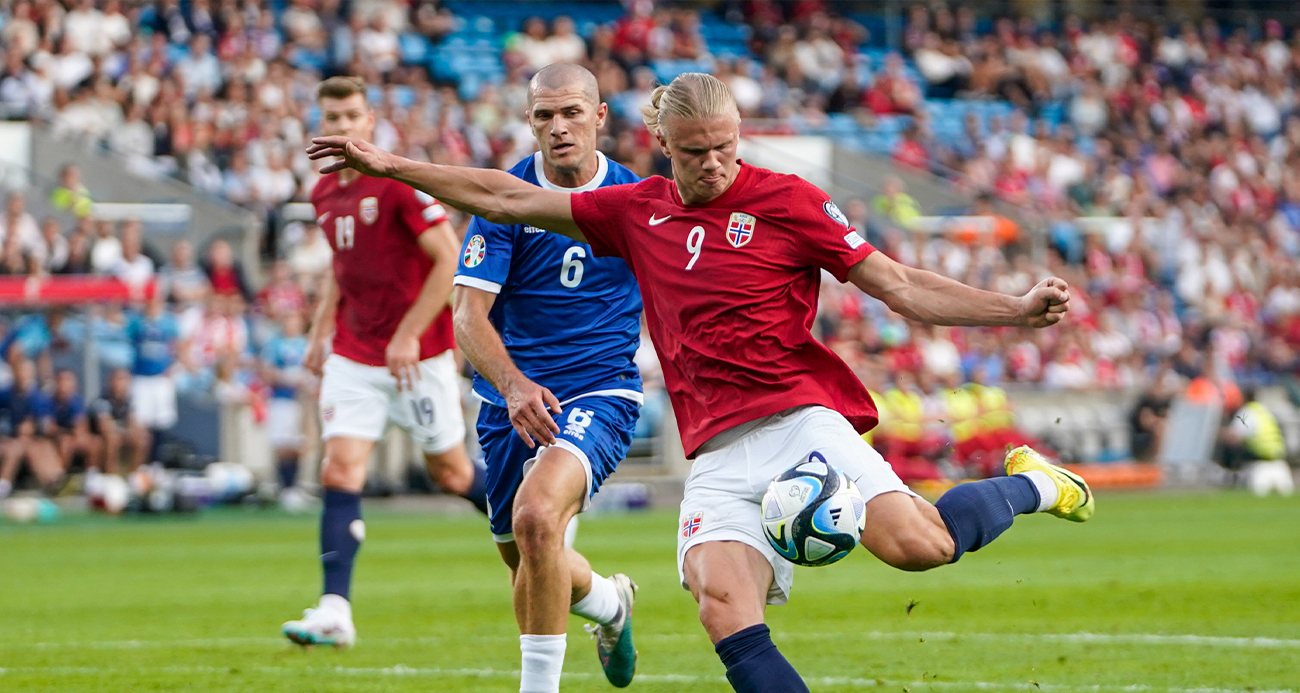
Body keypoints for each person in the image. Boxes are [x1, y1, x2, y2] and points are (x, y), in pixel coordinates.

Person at [306, 72, 1092, 693]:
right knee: (722, 609)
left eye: (723, 146)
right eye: (693, 151)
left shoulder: (790, 201)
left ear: (739, 135)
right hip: (713, 453)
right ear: (661, 144)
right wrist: (392, 165)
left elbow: (901, 286)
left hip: (799, 420)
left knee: (922, 546)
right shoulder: (635, 210)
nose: (712, 163)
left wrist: (1016, 310)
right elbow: (510, 197)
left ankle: (1034, 483)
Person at [451, 64, 642, 693]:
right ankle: (611, 606)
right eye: (543, 116)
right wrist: (511, 386)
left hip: (600, 391)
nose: (558, 128)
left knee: (537, 520)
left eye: (571, 113)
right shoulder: (505, 200)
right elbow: (467, 316)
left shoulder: (635, 203)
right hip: (509, 402)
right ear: (530, 121)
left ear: (599, 116)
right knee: (528, 560)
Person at [282, 76, 489, 649]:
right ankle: (334, 610)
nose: (342, 126)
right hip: (355, 353)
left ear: (369, 122)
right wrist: (322, 328)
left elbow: (449, 260)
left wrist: (406, 334)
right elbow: (342, 266)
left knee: (453, 474)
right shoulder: (324, 190)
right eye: (333, 116)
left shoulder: (397, 184)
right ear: (320, 123)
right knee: (339, 469)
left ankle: (537, 517)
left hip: (416, 355)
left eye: (352, 115)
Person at [0, 358, 63, 499]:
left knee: (40, 446)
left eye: (28, 372)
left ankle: (54, 481)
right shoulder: (4, 395)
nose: (24, 375)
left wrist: (35, 426)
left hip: (29, 440)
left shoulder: (37, 398)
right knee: (16, 447)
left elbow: (47, 424)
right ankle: (4, 484)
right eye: (22, 371)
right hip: (8, 439)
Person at [261, 310, 308, 492]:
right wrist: (286, 378)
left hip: (302, 401)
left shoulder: (306, 343)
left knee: (301, 444)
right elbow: (266, 371)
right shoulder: (275, 344)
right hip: (282, 400)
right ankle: (285, 487)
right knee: (283, 444)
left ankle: (295, 486)